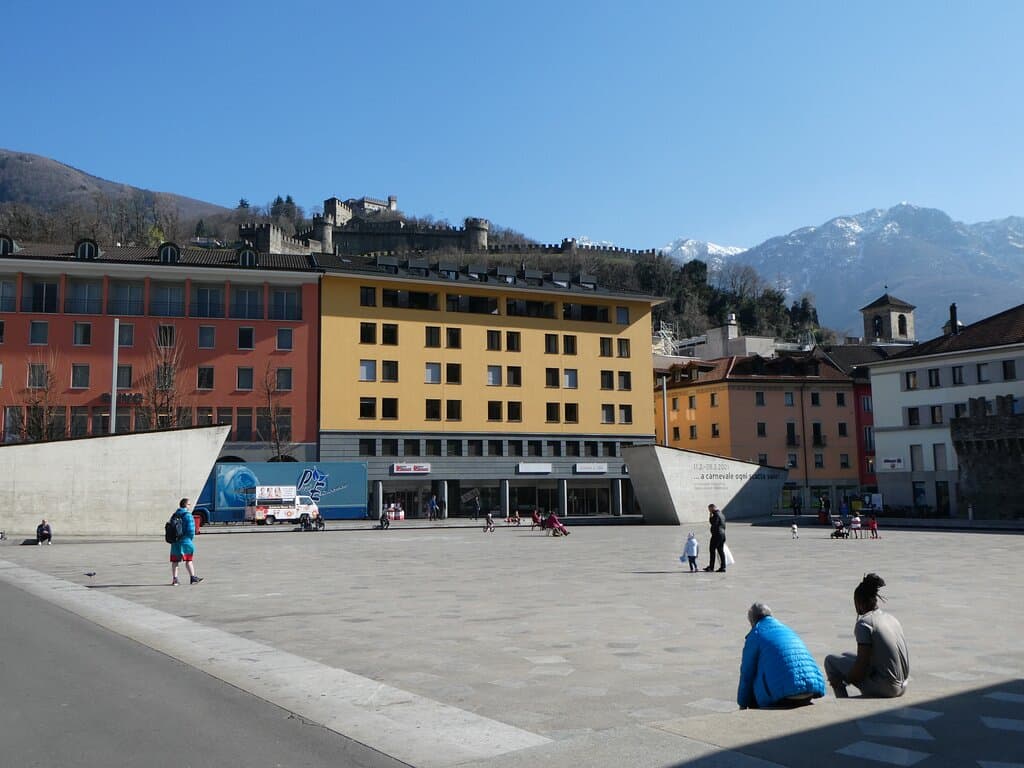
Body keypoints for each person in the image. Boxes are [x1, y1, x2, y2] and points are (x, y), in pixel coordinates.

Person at [825, 573, 909, 698]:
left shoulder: (864, 624)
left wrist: (844, 681)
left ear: (859, 602)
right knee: (845, 655)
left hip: (887, 687)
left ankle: (842, 700)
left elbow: (862, 665)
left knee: (830, 661)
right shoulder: (891, 618)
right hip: (903, 685)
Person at [738, 603, 826, 709]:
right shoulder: (786, 629)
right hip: (810, 691)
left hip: (785, 697)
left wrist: (742, 704)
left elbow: (746, 674)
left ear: (752, 621)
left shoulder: (755, 634)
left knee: (753, 680)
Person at [170, 498, 202, 586]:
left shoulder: (174, 514)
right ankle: (192, 577)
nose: (189, 506)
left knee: (175, 561)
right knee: (188, 560)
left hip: (175, 541)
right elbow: (191, 530)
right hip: (186, 541)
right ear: (186, 505)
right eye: (189, 504)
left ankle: (175, 579)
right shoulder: (188, 515)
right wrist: (189, 538)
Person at [702, 504, 726, 572]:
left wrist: (710, 516)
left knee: (712, 550)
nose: (709, 511)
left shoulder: (716, 514)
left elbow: (714, 523)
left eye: (709, 509)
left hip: (716, 535)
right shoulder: (722, 514)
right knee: (721, 551)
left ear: (712, 508)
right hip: (722, 535)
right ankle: (723, 567)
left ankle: (711, 567)